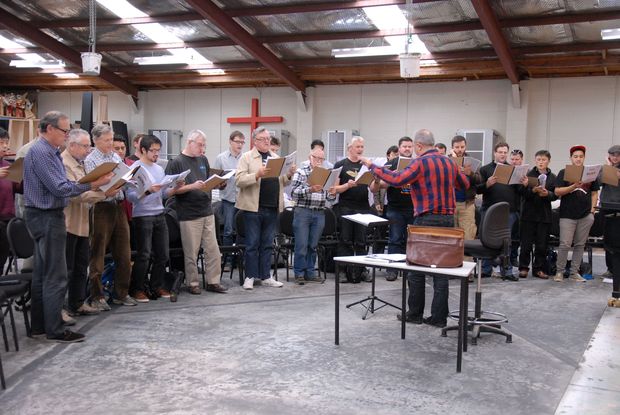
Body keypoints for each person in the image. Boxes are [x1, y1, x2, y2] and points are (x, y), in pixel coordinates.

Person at [362, 129, 469, 328]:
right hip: (447, 221)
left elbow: (396, 179)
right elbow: (464, 184)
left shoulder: (420, 162)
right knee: (442, 270)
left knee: (417, 268)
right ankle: (438, 317)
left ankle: (415, 314)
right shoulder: (449, 162)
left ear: (419, 146)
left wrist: (371, 166)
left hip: (426, 219)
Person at [23, 111, 111, 343]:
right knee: (56, 276)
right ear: (49, 129)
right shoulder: (42, 153)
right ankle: (55, 328)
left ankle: (39, 327)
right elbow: (60, 188)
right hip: (46, 216)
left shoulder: (48, 152)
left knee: (43, 274)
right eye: (64, 130)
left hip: (46, 215)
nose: (66, 134)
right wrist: (92, 183)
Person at [166, 130, 228, 295]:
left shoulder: (203, 159)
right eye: (200, 145)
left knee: (213, 249)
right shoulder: (176, 162)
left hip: (206, 210)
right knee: (191, 251)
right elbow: (170, 190)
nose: (202, 149)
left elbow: (206, 182)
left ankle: (213, 281)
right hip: (188, 213)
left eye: (204, 145)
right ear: (189, 142)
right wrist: (191, 186)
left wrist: (217, 184)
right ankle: (192, 282)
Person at [236, 126, 295, 290]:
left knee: (267, 244)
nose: (267, 141)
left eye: (269, 139)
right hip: (253, 207)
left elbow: (283, 181)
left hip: (272, 206)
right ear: (255, 141)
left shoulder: (276, 157)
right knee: (252, 244)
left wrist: (289, 174)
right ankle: (250, 276)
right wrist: (256, 174)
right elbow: (239, 180)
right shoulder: (247, 157)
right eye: (264, 139)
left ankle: (266, 276)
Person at [85, 124, 136, 309]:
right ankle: (97, 295)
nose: (110, 143)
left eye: (111, 140)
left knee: (124, 251)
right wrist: (106, 184)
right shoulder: (90, 160)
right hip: (100, 207)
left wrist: (126, 180)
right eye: (106, 140)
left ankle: (121, 293)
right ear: (96, 140)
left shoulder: (115, 156)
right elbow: (90, 185)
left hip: (118, 205)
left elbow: (122, 174)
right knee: (97, 251)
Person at [127, 135, 181, 301]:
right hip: (143, 215)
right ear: (143, 150)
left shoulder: (158, 168)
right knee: (144, 254)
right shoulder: (136, 168)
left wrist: (174, 188)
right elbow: (130, 196)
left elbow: (163, 193)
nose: (157, 154)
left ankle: (156, 286)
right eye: (153, 150)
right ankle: (137, 289)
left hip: (159, 212)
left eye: (158, 150)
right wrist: (148, 191)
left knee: (163, 254)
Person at [61, 129, 104, 320]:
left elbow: (87, 188)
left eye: (89, 146)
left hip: (84, 224)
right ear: (72, 146)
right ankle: (61, 308)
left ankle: (77, 303)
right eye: (85, 146)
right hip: (68, 223)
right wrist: (103, 193)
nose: (88, 150)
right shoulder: (63, 163)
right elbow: (75, 193)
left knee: (80, 267)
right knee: (66, 269)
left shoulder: (82, 163)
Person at [369, 137, 414, 282]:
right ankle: (392, 270)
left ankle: (411, 270)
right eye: (404, 146)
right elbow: (377, 186)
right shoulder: (391, 164)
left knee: (412, 241)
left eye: (409, 146)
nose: (407, 149)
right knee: (395, 240)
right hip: (395, 208)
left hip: (414, 208)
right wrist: (392, 178)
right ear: (399, 148)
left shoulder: (417, 163)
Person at [553, 145, 599, 282]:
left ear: (584, 158)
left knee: (580, 245)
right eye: (575, 156)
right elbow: (557, 191)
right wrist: (573, 186)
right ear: (571, 158)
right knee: (565, 244)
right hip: (567, 214)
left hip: (585, 215)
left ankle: (574, 272)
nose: (578, 159)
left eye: (581, 156)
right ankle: (559, 272)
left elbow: (595, 193)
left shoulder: (590, 173)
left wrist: (592, 211)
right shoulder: (564, 172)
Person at [290, 147, 335, 285]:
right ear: (310, 157)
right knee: (302, 244)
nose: (319, 161)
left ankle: (310, 272)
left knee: (313, 245)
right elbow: (293, 193)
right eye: (316, 158)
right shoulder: (301, 172)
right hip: (303, 211)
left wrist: (332, 193)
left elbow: (329, 197)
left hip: (319, 211)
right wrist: (310, 189)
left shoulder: (326, 174)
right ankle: (299, 273)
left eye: (322, 159)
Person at [330, 136, 372, 283]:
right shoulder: (341, 164)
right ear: (350, 148)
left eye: (362, 147)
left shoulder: (366, 165)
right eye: (357, 147)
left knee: (361, 241)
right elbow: (334, 189)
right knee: (345, 240)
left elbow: (373, 188)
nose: (360, 149)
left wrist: (377, 178)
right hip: (346, 207)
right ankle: (342, 270)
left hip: (363, 207)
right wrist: (347, 185)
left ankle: (362, 270)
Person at [476, 142, 520, 281]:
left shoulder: (512, 169)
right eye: (500, 152)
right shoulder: (485, 169)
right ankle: (486, 269)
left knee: (507, 242)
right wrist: (487, 184)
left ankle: (506, 271)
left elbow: (519, 191)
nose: (502, 154)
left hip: (509, 210)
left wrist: (523, 184)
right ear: (495, 153)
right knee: (486, 239)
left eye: (505, 152)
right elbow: (477, 189)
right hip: (489, 209)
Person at [517, 150, 557, 279]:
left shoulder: (553, 177)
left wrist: (547, 194)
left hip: (544, 215)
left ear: (548, 161)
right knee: (525, 244)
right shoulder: (528, 174)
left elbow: (555, 195)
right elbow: (522, 193)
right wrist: (531, 189)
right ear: (535, 160)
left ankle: (538, 269)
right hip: (528, 214)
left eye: (543, 160)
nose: (541, 162)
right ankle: (523, 267)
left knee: (541, 245)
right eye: (539, 159)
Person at [213, 131, 244, 264]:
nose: (240, 145)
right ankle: (228, 260)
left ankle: (239, 259)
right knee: (228, 230)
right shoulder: (221, 158)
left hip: (243, 198)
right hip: (228, 198)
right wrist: (221, 182)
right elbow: (215, 178)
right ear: (230, 141)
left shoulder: (245, 157)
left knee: (241, 230)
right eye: (238, 142)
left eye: (242, 142)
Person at [600, 145, 620, 303]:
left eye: (617, 155)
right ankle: (610, 269)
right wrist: (608, 167)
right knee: (607, 240)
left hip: (618, 206)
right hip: (606, 206)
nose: (615, 157)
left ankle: (616, 269)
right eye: (612, 155)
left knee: (617, 242)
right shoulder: (605, 168)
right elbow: (600, 181)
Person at [450, 135, 479, 240]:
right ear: (452, 148)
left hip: (467, 204)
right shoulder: (447, 160)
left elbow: (479, 180)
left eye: (462, 147)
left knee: (468, 236)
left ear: (465, 147)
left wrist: (470, 173)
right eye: (457, 147)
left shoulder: (471, 161)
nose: (459, 150)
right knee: (452, 236)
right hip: (450, 204)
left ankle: (467, 257)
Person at [0, 128, 19, 274]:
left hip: (7, 220)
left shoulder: (7, 165)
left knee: (2, 261)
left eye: (6, 142)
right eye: (1, 142)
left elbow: (18, 188)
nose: (5, 146)